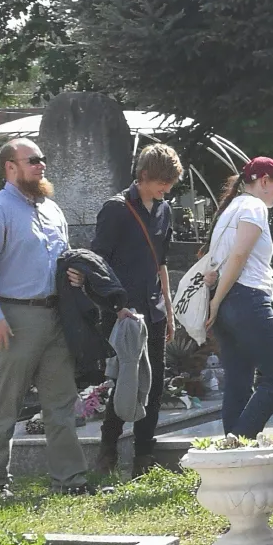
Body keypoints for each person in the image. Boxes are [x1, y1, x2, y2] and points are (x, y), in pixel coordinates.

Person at [0, 138, 91, 497]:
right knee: (5, 404)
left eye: (42, 159)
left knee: (61, 403)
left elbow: (62, 259)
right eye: (32, 160)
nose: (41, 165)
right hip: (13, 319)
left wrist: (75, 276)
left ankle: (70, 481)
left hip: (55, 316)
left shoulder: (52, 209)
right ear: (10, 167)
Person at [91, 144, 184, 477]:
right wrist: (115, 307)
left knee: (155, 383)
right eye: (162, 181)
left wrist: (170, 311)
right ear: (144, 175)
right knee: (125, 380)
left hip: (154, 310)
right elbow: (97, 264)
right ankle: (107, 453)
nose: (167, 188)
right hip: (123, 313)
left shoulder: (164, 210)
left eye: (171, 183)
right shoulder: (115, 209)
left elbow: (161, 264)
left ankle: (144, 456)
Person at [205, 157, 273, 438]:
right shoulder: (254, 206)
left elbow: (217, 263)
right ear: (264, 182)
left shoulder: (229, 210)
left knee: (238, 383)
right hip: (247, 300)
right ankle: (240, 440)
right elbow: (238, 256)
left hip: (227, 307)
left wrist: (216, 301)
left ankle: (231, 456)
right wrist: (216, 300)